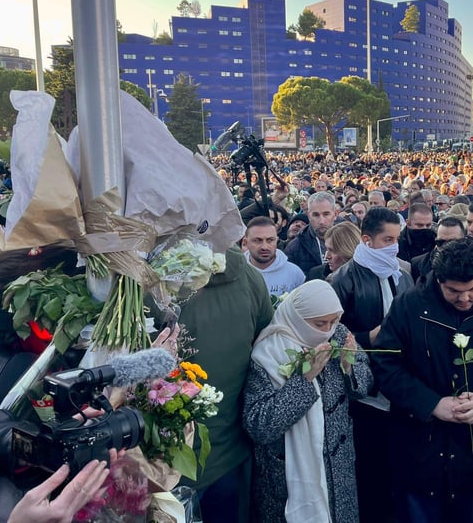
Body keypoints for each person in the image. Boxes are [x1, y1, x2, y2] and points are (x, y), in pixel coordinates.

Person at [373, 237, 473, 523]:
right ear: (438, 280)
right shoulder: (408, 305)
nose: (465, 298)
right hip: (419, 449)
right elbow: (386, 365)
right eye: (454, 291)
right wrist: (431, 404)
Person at [243, 280, 372, 523]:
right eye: (319, 323)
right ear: (298, 318)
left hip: (338, 472)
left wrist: (349, 367)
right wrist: (305, 379)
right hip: (289, 477)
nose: (327, 330)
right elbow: (259, 425)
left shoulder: (339, 334)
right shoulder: (269, 352)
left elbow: (365, 385)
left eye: (334, 320)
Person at [165, 246, 275, 523]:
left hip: (172, 456)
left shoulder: (160, 280)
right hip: (229, 449)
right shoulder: (251, 278)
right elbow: (265, 347)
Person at [329, 207, 413, 522]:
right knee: (371, 470)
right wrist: (369, 337)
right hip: (363, 396)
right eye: (387, 240)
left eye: (397, 239)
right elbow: (329, 337)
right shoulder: (342, 279)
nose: (394, 246)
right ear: (367, 240)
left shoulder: (402, 274)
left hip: (401, 387)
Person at [243, 216, 305, 297]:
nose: (264, 247)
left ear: (277, 240)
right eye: (257, 240)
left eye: (270, 240)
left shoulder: (295, 274)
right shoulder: (237, 272)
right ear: (245, 242)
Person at [285, 192, 336, 277]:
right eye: (316, 215)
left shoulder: (348, 241)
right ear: (308, 215)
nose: (321, 221)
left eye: (326, 214)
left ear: (335, 214)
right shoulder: (295, 247)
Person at [410, 215, 466, 284]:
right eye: (441, 242)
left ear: (464, 241)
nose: (446, 247)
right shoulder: (418, 264)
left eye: (452, 243)